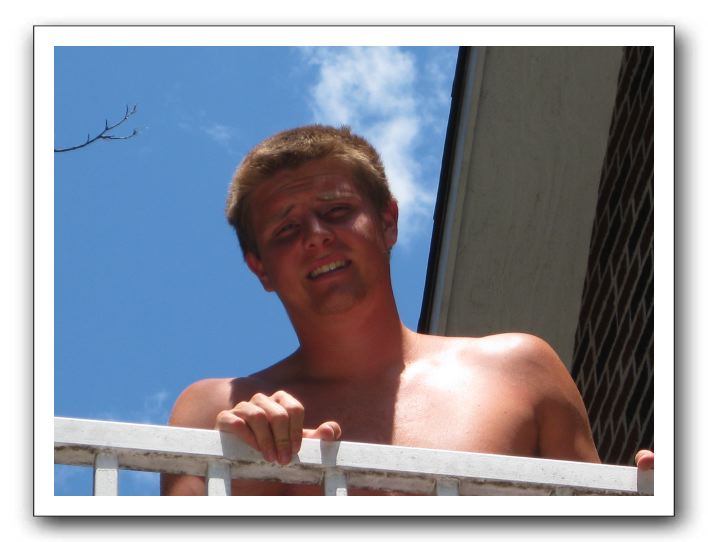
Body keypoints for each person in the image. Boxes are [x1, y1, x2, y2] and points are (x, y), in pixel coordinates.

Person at [161, 125, 653, 496]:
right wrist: (238, 472)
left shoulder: (520, 370)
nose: (316, 235)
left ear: (388, 222)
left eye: (336, 211)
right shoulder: (215, 409)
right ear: (260, 268)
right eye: (286, 230)